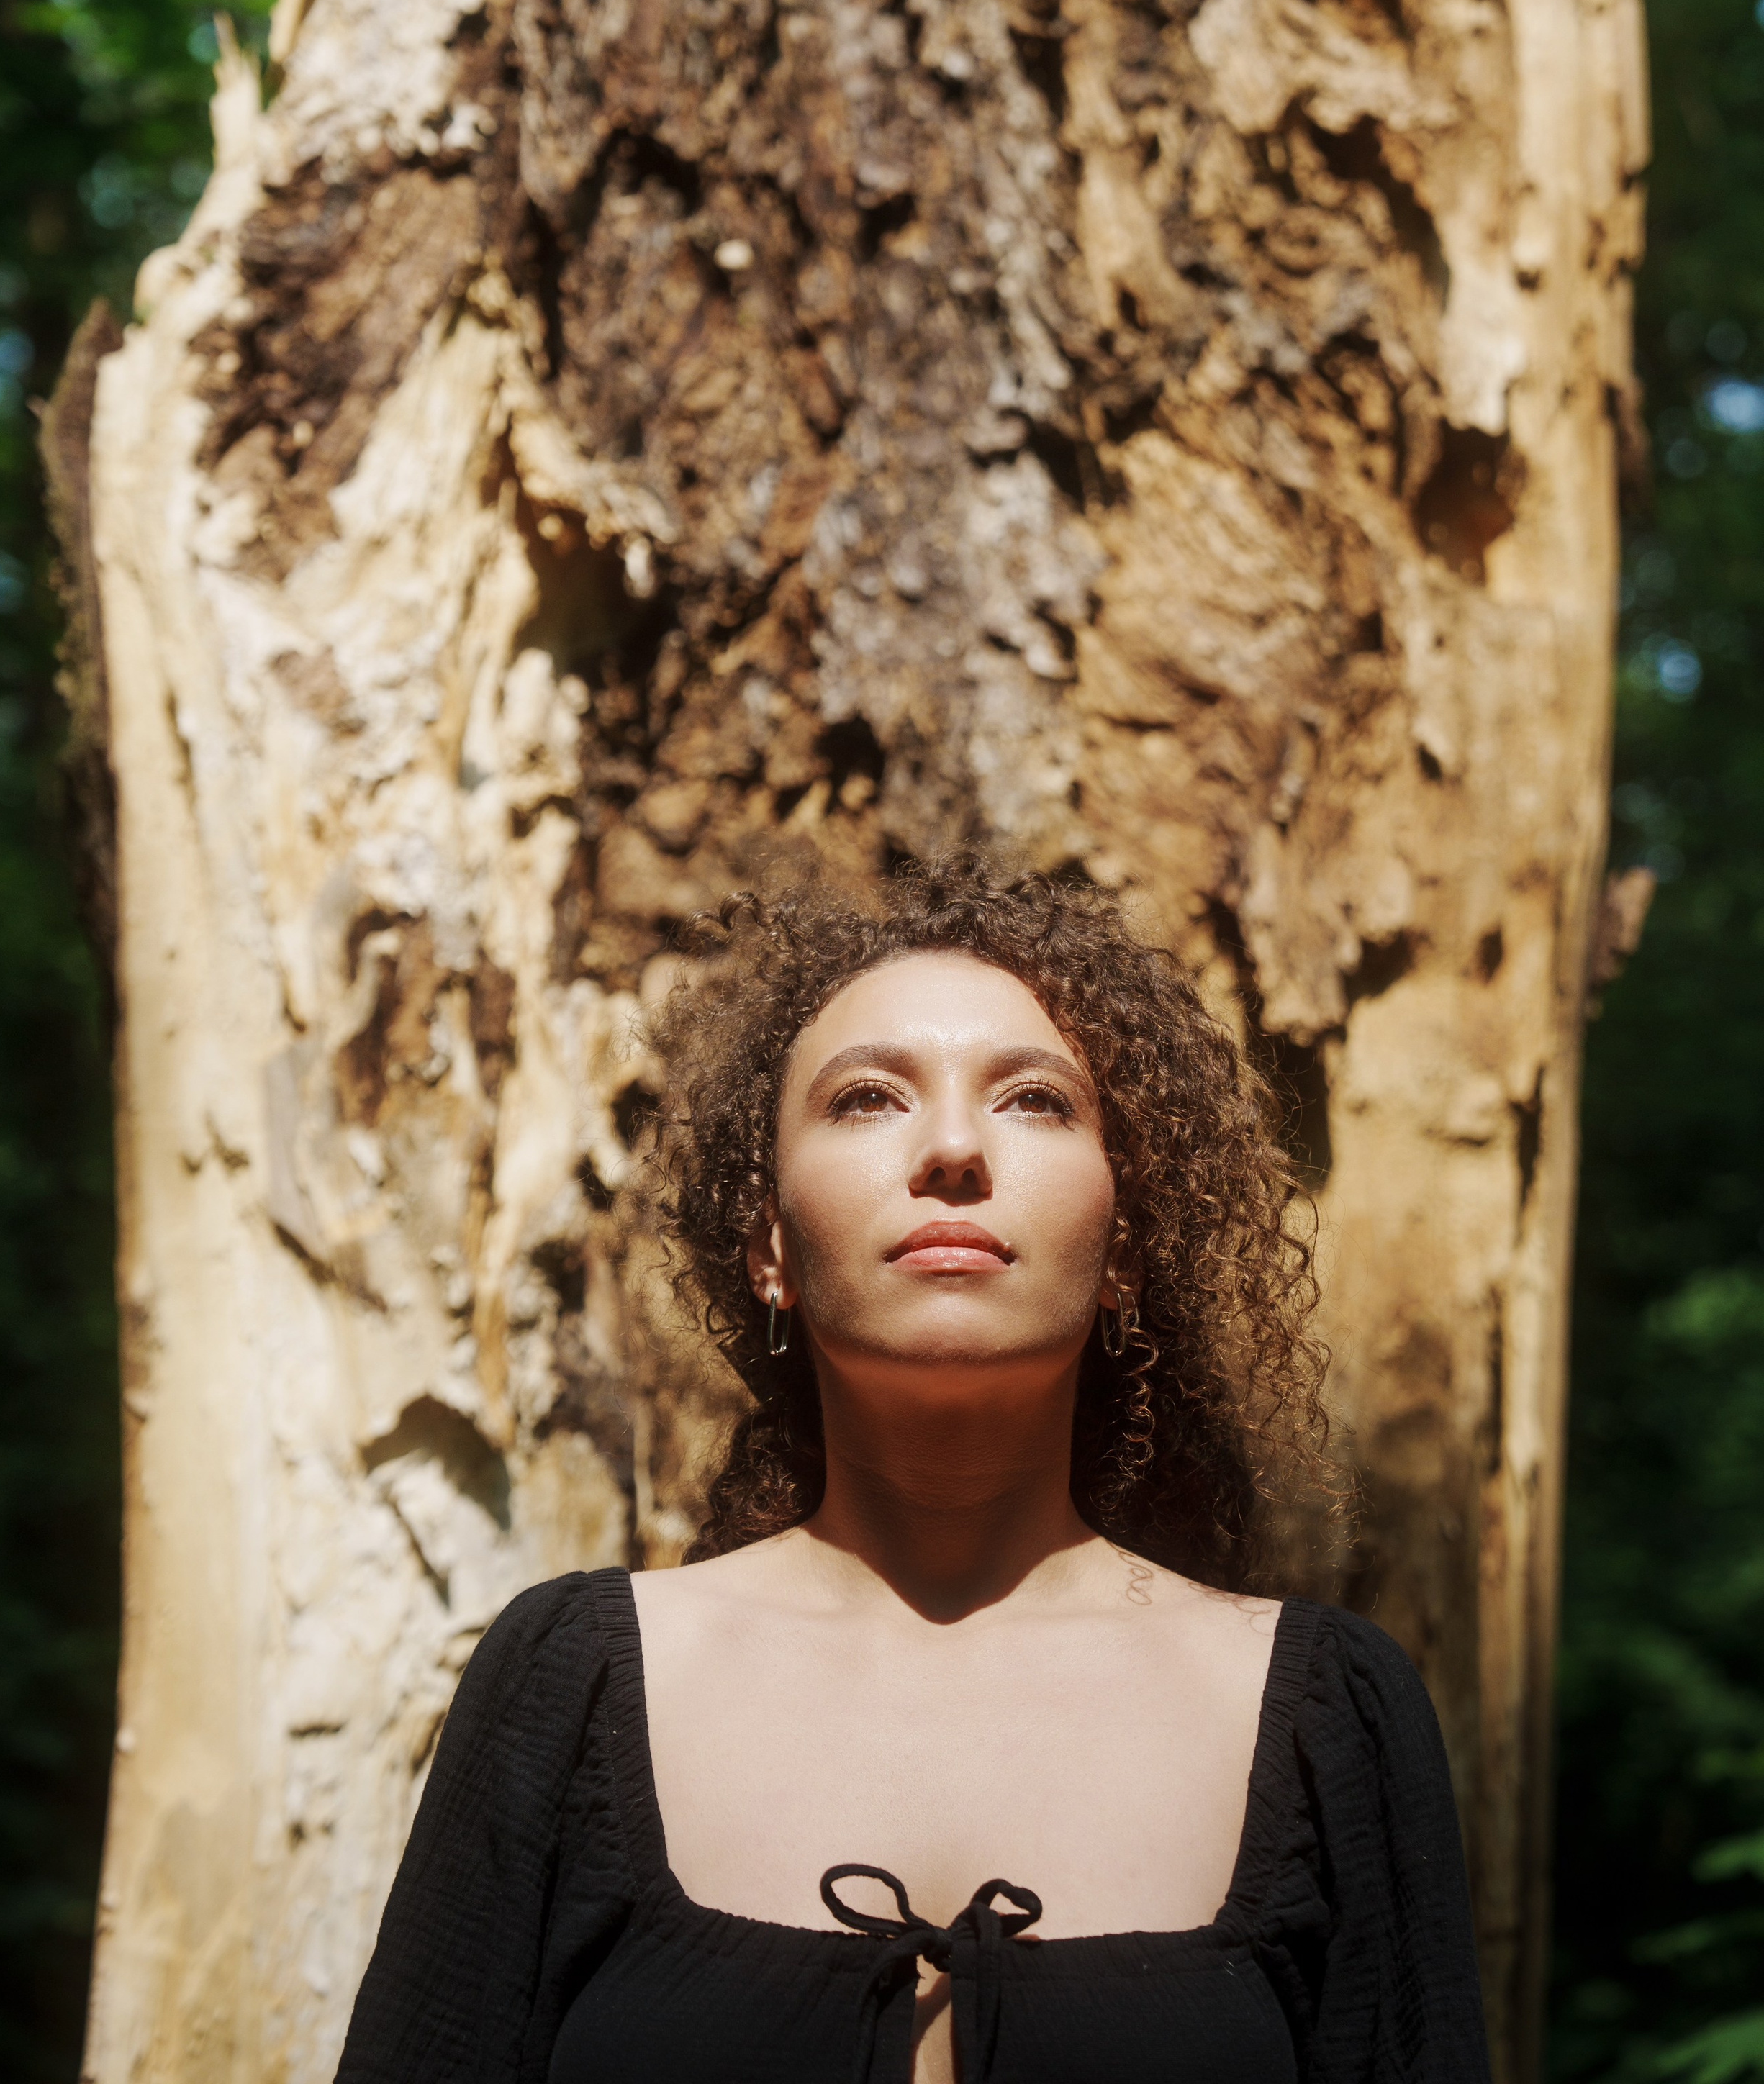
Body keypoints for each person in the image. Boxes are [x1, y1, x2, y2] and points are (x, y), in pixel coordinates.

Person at [335, 859, 1492, 2084]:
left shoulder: (1325, 1719)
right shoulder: (566, 1685)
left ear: (1124, 1248)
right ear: (770, 1246)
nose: (952, 1148)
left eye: (1035, 1101)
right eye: (868, 1098)